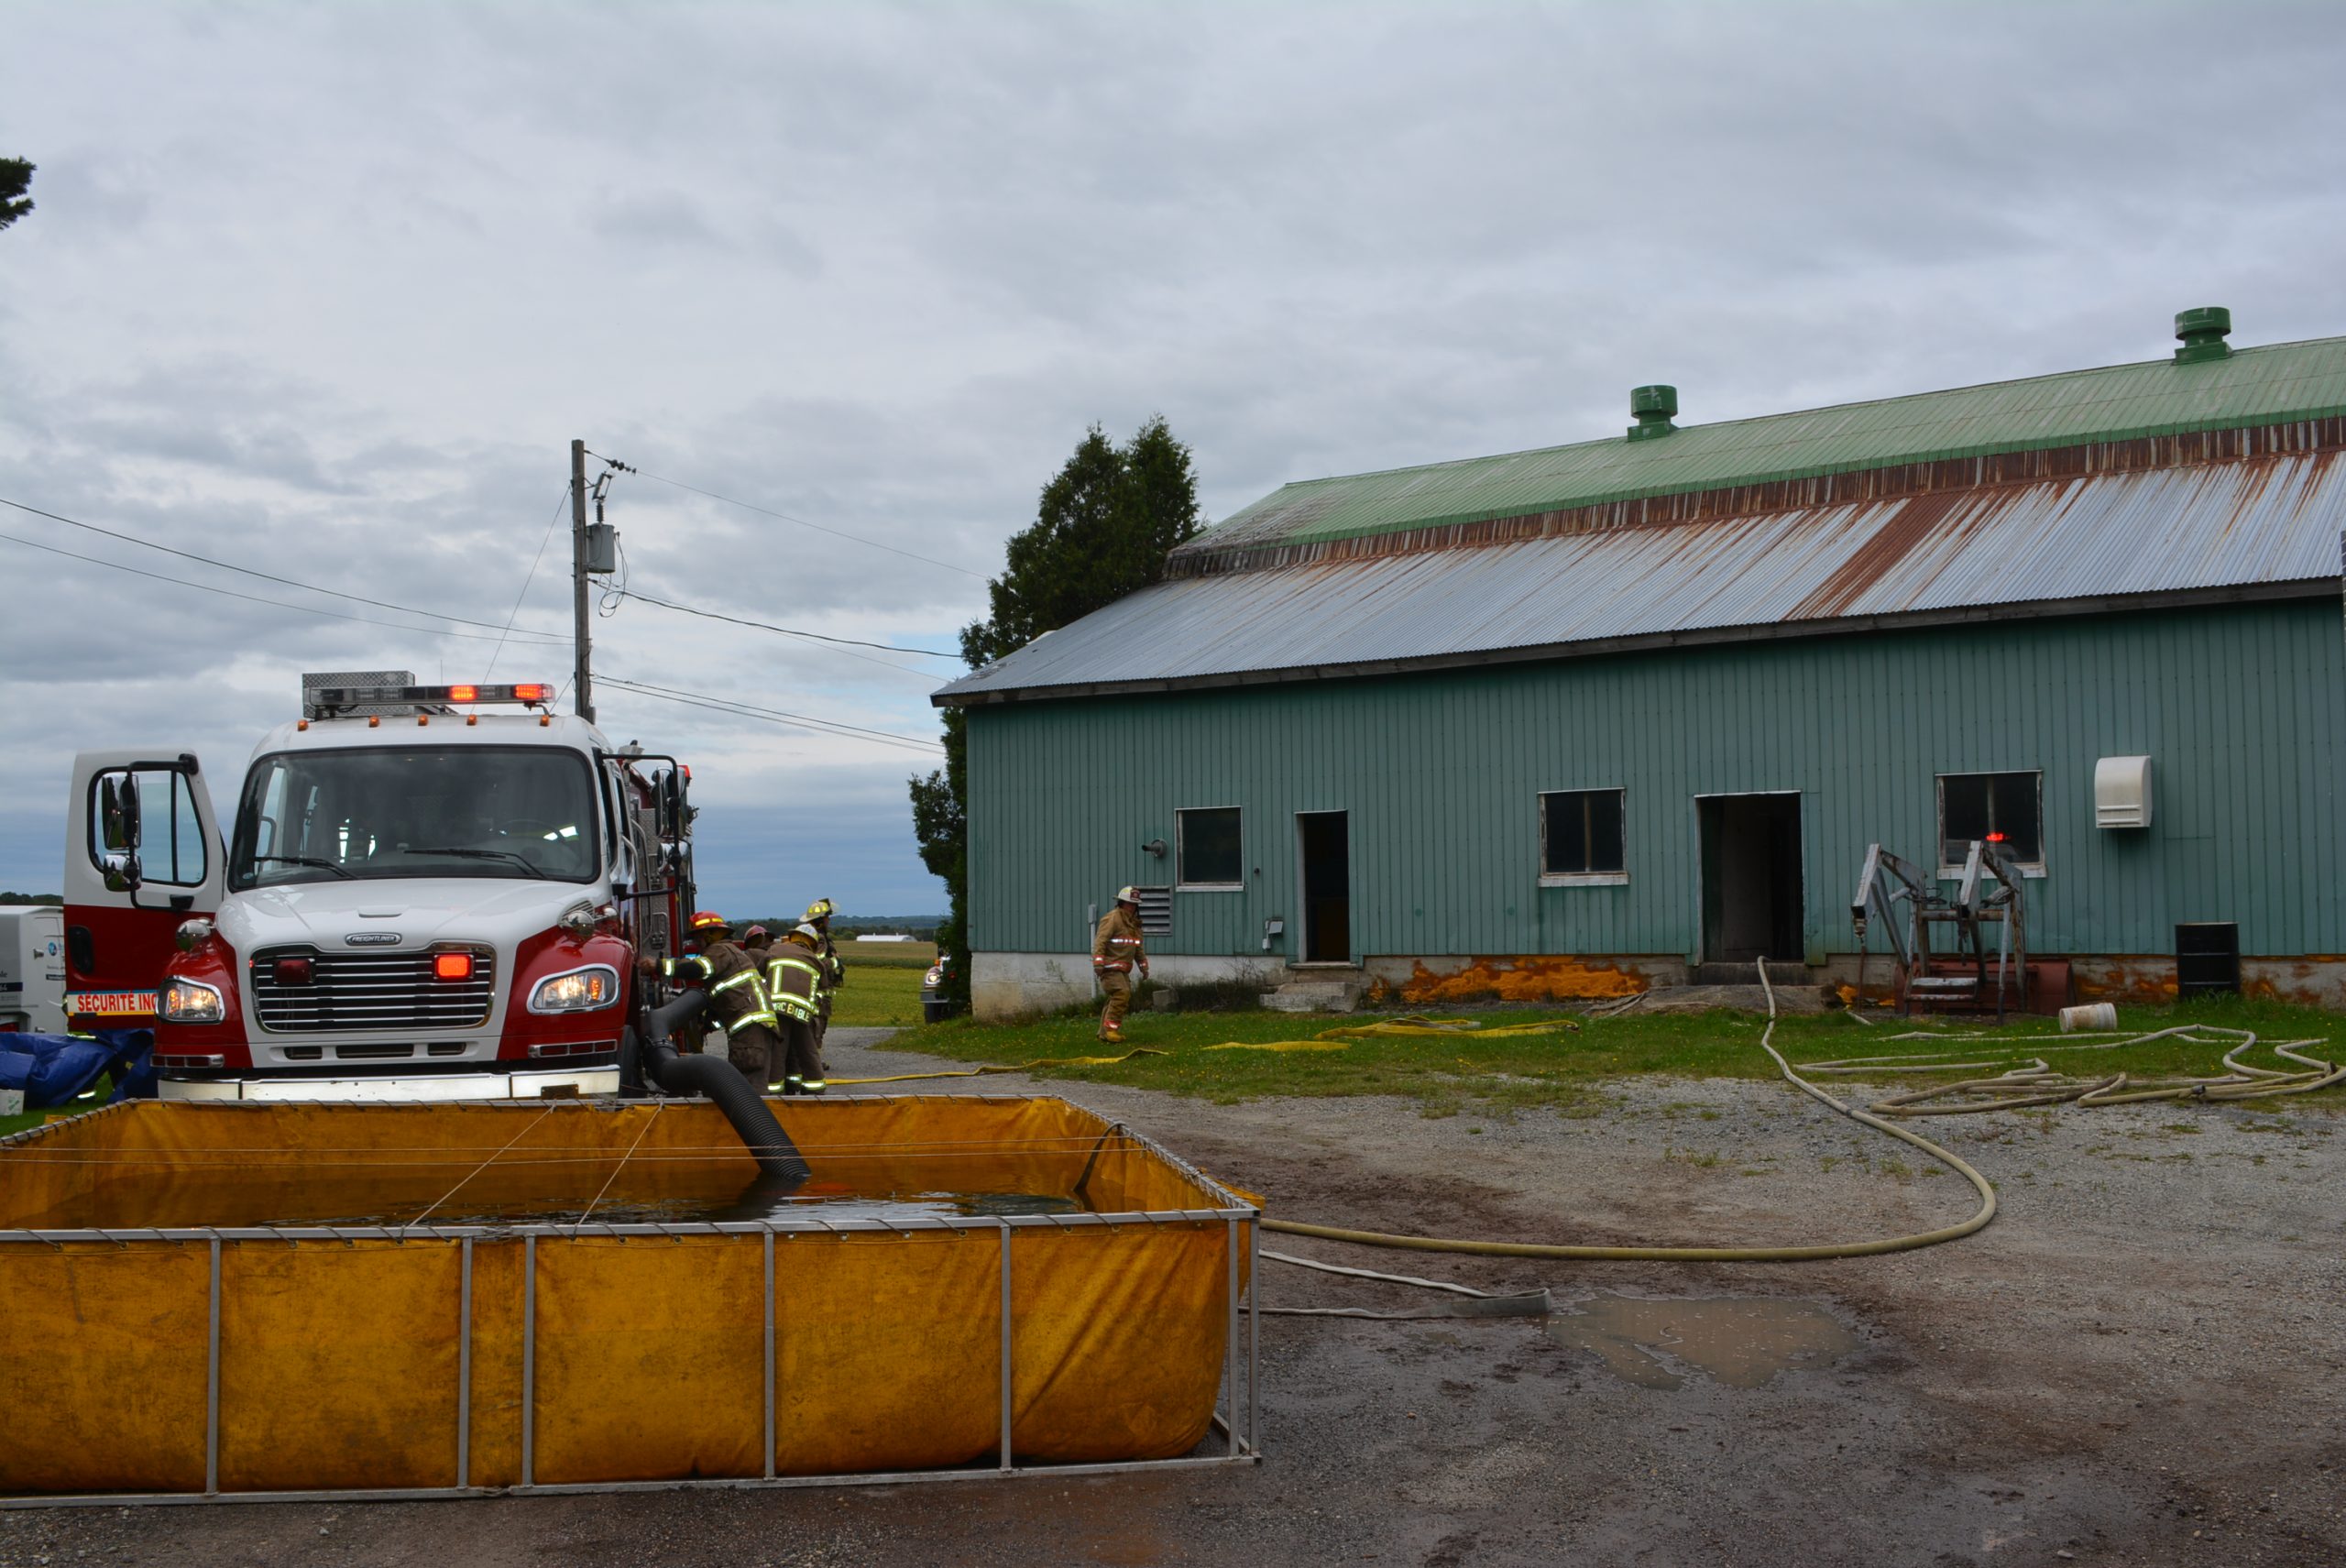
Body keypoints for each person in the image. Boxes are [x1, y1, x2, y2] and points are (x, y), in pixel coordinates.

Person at [653, 911, 781, 1087]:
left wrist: (659, 966)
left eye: (697, 939)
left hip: (750, 1031)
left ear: (709, 936)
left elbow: (698, 969)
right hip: (756, 1028)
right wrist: (707, 1026)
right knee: (750, 1084)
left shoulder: (719, 950)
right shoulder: (731, 953)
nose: (697, 945)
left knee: (747, 1089)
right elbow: (727, 1002)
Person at [762, 924, 830, 1094]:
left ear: (792, 938)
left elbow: (758, 974)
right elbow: (822, 992)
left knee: (778, 1051)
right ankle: (816, 1090)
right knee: (808, 1051)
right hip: (803, 1013)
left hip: (777, 1009)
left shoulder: (775, 950)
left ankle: (774, 1093)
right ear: (812, 944)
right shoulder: (816, 962)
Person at [1091, 886, 1148, 1044]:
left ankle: (1104, 1033)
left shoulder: (1133, 924)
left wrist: (1144, 967)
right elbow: (1100, 942)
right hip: (1109, 968)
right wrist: (1098, 963)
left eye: (1134, 904)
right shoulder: (1112, 919)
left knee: (1115, 999)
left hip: (1122, 971)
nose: (1132, 907)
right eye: (1129, 903)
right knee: (1121, 994)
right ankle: (1111, 1030)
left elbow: (1138, 948)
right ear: (1121, 903)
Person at [803, 897, 845, 1048]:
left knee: (817, 1026)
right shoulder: (820, 938)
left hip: (819, 990)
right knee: (818, 1025)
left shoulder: (814, 936)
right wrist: (835, 962)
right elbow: (819, 962)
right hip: (819, 992)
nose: (829, 920)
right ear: (820, 920)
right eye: (827, 917)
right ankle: (813, 1064)